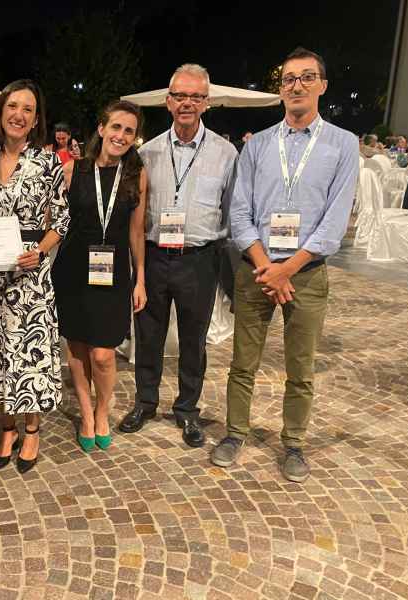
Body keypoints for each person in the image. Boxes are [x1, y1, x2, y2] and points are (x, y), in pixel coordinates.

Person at [212, 47, 359, 483]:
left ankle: (293, 442)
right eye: (289, 79)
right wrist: (267, 267)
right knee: (243, 362)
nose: (297, 85)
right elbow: (240, 212)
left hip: (306, 275)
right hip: (255, 270)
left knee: (301, 367)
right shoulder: (258, 145)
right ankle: (235, 433)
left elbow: (335, 220)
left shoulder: (342, 144)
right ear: (280, 90)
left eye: (307, 77)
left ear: (322, 86)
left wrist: (287, 269)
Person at [117, 64, 238, 448]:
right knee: (148, 334)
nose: (188, 103)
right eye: (180, 96)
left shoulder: (225, 153)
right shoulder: (147, 152)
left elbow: (230, 210)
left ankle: (187, 409)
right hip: (153, 256)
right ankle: (145, 402)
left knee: (193, 340)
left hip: (199, 259)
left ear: (206, 102)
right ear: (168, 101)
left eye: (196, 97)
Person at [0, 79, 69, 473]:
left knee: (28, 353)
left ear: (36, 119)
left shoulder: (47, 162)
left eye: (28, 109)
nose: (19, 115)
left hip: (30, 272)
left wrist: (40, 251)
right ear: (0, 112)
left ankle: (31, 430)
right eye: (13, 106)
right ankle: (7, 428)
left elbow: (62, 219)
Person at [52, 100, 147, 452]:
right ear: (102, 128)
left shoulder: (136, 175)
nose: (121, 135)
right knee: (77, 349)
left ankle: (103, 409)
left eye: (129, 131)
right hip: (73, 271)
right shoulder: (72, 170)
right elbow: (55, 222)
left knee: (104, 354)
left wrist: (140, 278)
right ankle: (86, 414)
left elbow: (136, 231)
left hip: (113, 274)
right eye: (116, 127)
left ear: (134, 138)